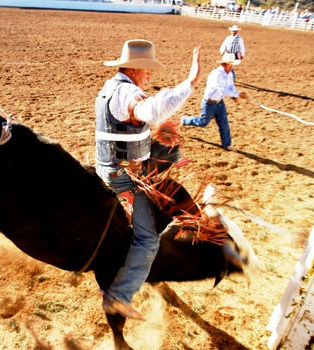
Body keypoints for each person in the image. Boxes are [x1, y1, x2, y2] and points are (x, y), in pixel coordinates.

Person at [95, 39, 202, 320]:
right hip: (123, 178)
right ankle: (119, 296)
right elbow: (151, 113)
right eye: (147, 69)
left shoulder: (110, 88)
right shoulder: (128, 95)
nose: (150, 75)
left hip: (109, 165)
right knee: (148, 239)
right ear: (134, 69)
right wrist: (189, 83)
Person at [180, 53, 248, 152]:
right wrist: (237, 94)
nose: (231, 67)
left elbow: (230, 85)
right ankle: (184, 120)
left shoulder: (230, 73)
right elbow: (222, 89)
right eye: (230, 65)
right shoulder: (216, 74)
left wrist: (233, 95)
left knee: (224, 123)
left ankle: (227, 144)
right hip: (210, 103)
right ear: (223, 64)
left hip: (220, 102)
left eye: (232, 65)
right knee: (203, 122)